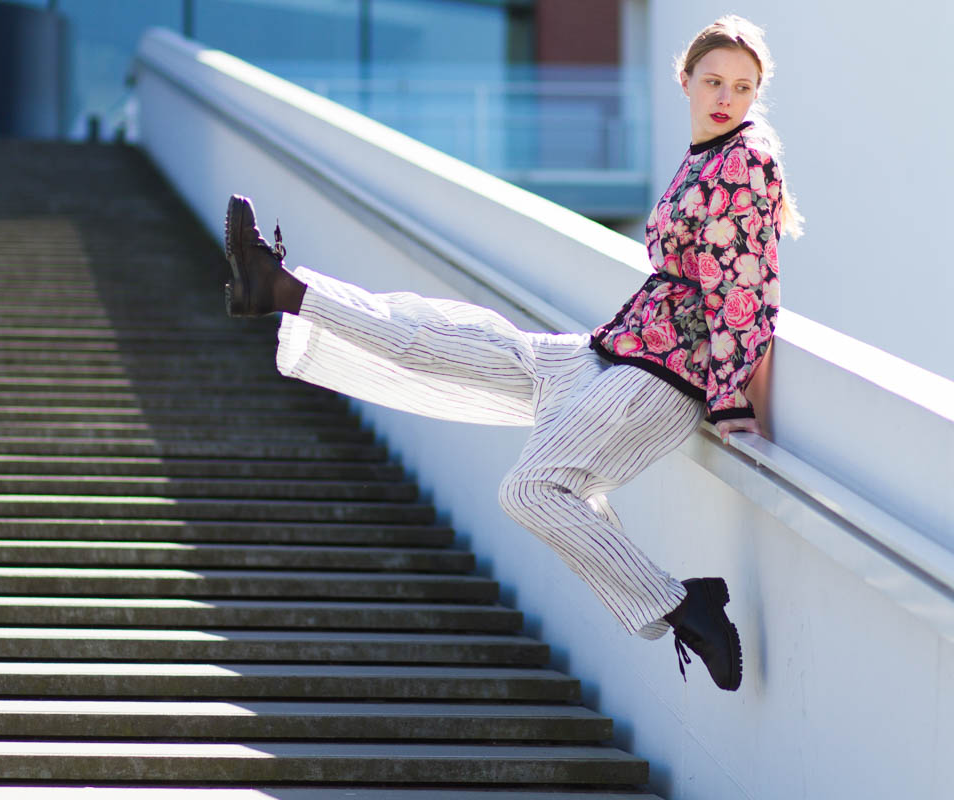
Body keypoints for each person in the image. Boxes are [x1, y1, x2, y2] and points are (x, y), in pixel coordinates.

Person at [220, 15, 803, 692]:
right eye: (713, 81)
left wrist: (731, 400)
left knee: (530, 489)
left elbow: (746, 287)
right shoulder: (706, 152)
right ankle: (284, 290)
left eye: (742, 86)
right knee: (444, 343)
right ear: (684, 80)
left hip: (662, 379)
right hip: (614, 352)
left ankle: (682, 605)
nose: (726, 96)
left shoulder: (746, 158)